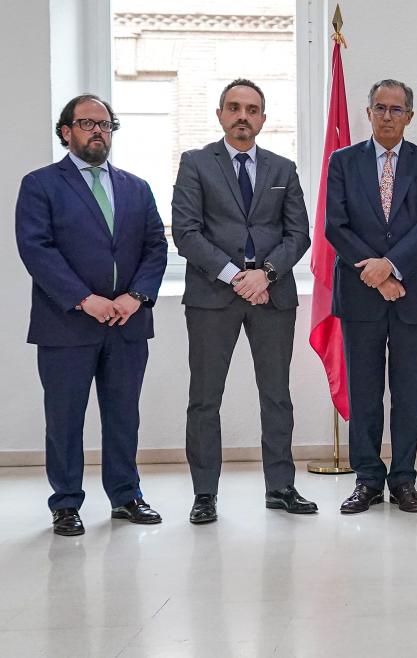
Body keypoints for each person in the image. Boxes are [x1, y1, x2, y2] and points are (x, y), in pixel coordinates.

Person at [15, 94, 168, 536]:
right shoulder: (41, 184)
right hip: (66, 324)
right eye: (86, 123)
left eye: (105, 124)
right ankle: (65, 503)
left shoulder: (136, 186)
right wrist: (85, 299)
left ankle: (126, 496)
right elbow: (36, 250)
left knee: (123, 413)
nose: (97, 131)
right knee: (65, 417)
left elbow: (156, 246)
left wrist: (136, 296)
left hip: (127, 323)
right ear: (66, 132)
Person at [172, 78, 315, 523]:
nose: (242, 116)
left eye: (252, 110)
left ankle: (281, 487)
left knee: (276, 395)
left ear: (263, 119)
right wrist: (238, 276)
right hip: (213, 295)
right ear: (219, 114)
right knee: (204, 398)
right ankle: (205, 494)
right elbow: (186, 232)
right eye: (234, 108)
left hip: (272, 295)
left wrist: (265, 274)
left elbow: (299, 234)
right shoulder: (196, 163)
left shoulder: (282, 168)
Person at [326, 79, 417, 514]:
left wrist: (392, 267)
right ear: (368, 112)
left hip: (415, 291)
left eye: (397, 110)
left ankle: (404, 480)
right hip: (361, 293)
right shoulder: (342, 162)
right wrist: (376, 274)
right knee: (364, 390)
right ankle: (367, 479)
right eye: (380, 107)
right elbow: (335, 226)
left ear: (409, 116)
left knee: (409, 390)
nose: (388, 116)